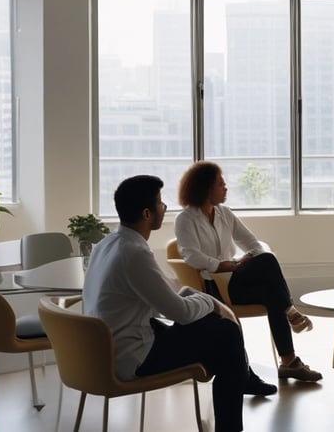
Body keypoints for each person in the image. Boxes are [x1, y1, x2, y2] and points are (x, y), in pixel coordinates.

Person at [83, 175, 276, 432]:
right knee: (226, 332)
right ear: (147, 213)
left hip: (108, 349)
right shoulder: (135, 253)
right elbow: (179, 312)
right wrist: (214, 304)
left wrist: (199, 299)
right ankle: (235, 403)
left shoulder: (107, 245)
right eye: (161, 204)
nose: (165, 208)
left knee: (217, 332)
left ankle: (241, 376)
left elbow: (161, 296)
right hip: (132, 358)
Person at [174, 161, 322, 383]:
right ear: (205, 188)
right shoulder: (185, 219)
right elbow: (190, 256)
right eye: (220, 184)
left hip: (235, 281)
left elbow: (253, 243)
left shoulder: (224, 213)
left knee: (271, 286)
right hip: (212, 287)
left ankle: (288, 362)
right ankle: (290, 311)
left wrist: (247, 259)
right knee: (271, 274)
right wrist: (224, 265)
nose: (225, 187)